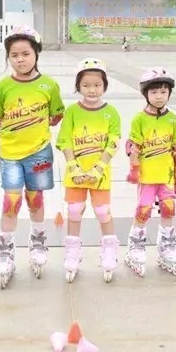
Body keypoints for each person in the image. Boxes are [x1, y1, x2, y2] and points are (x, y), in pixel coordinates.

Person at [0, 26, 65, 289]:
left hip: (39, 152)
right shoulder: (2, 86)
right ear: (8, 57)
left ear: (36, 54)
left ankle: (38, 241)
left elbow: (56, 115)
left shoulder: (49, 85)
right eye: (14, 55)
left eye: (25, 54)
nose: (20, 59)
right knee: (11, 200)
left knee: (35, 198)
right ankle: (5, 249)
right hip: (10, 154)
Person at [56, 58, 121, 283]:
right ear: (78, 86)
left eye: (97, 85)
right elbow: (64, 140)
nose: (92, 90)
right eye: (86, 85)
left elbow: (113, 142)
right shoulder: (73, 111)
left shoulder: (111, 112)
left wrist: (99, 168)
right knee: (74, 210)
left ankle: (109, 250)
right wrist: (73, 167)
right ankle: (73, 252)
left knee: (103, 211)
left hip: (99, 174)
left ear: (104, 86)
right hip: (75, 174)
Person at [124, 67, 176, 277]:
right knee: (143, 210)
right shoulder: (139, 119)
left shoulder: (173, 119)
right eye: (154, 92)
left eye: (163, 92)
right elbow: (135, 147)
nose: (159, 96)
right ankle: (136, 245)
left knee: (168, 209)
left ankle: (166, 244)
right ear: (146, 94)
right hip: (147, 176)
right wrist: (134, 169)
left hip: (167, 176)